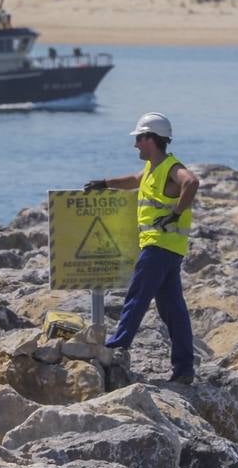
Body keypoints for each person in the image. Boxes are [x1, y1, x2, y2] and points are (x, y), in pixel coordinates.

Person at [84, 112, 200, 384]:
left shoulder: (171, 167)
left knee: (137, 297)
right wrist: (104, 184)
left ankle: (117, 344)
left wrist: (175, 212)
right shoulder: (152, 168)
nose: (135, 144)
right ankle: (184, 369)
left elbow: (191, 182)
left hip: (159, 247)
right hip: (170, 249)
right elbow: (133, 181)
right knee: (173, 311)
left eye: (139, 138)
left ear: (151, 139)